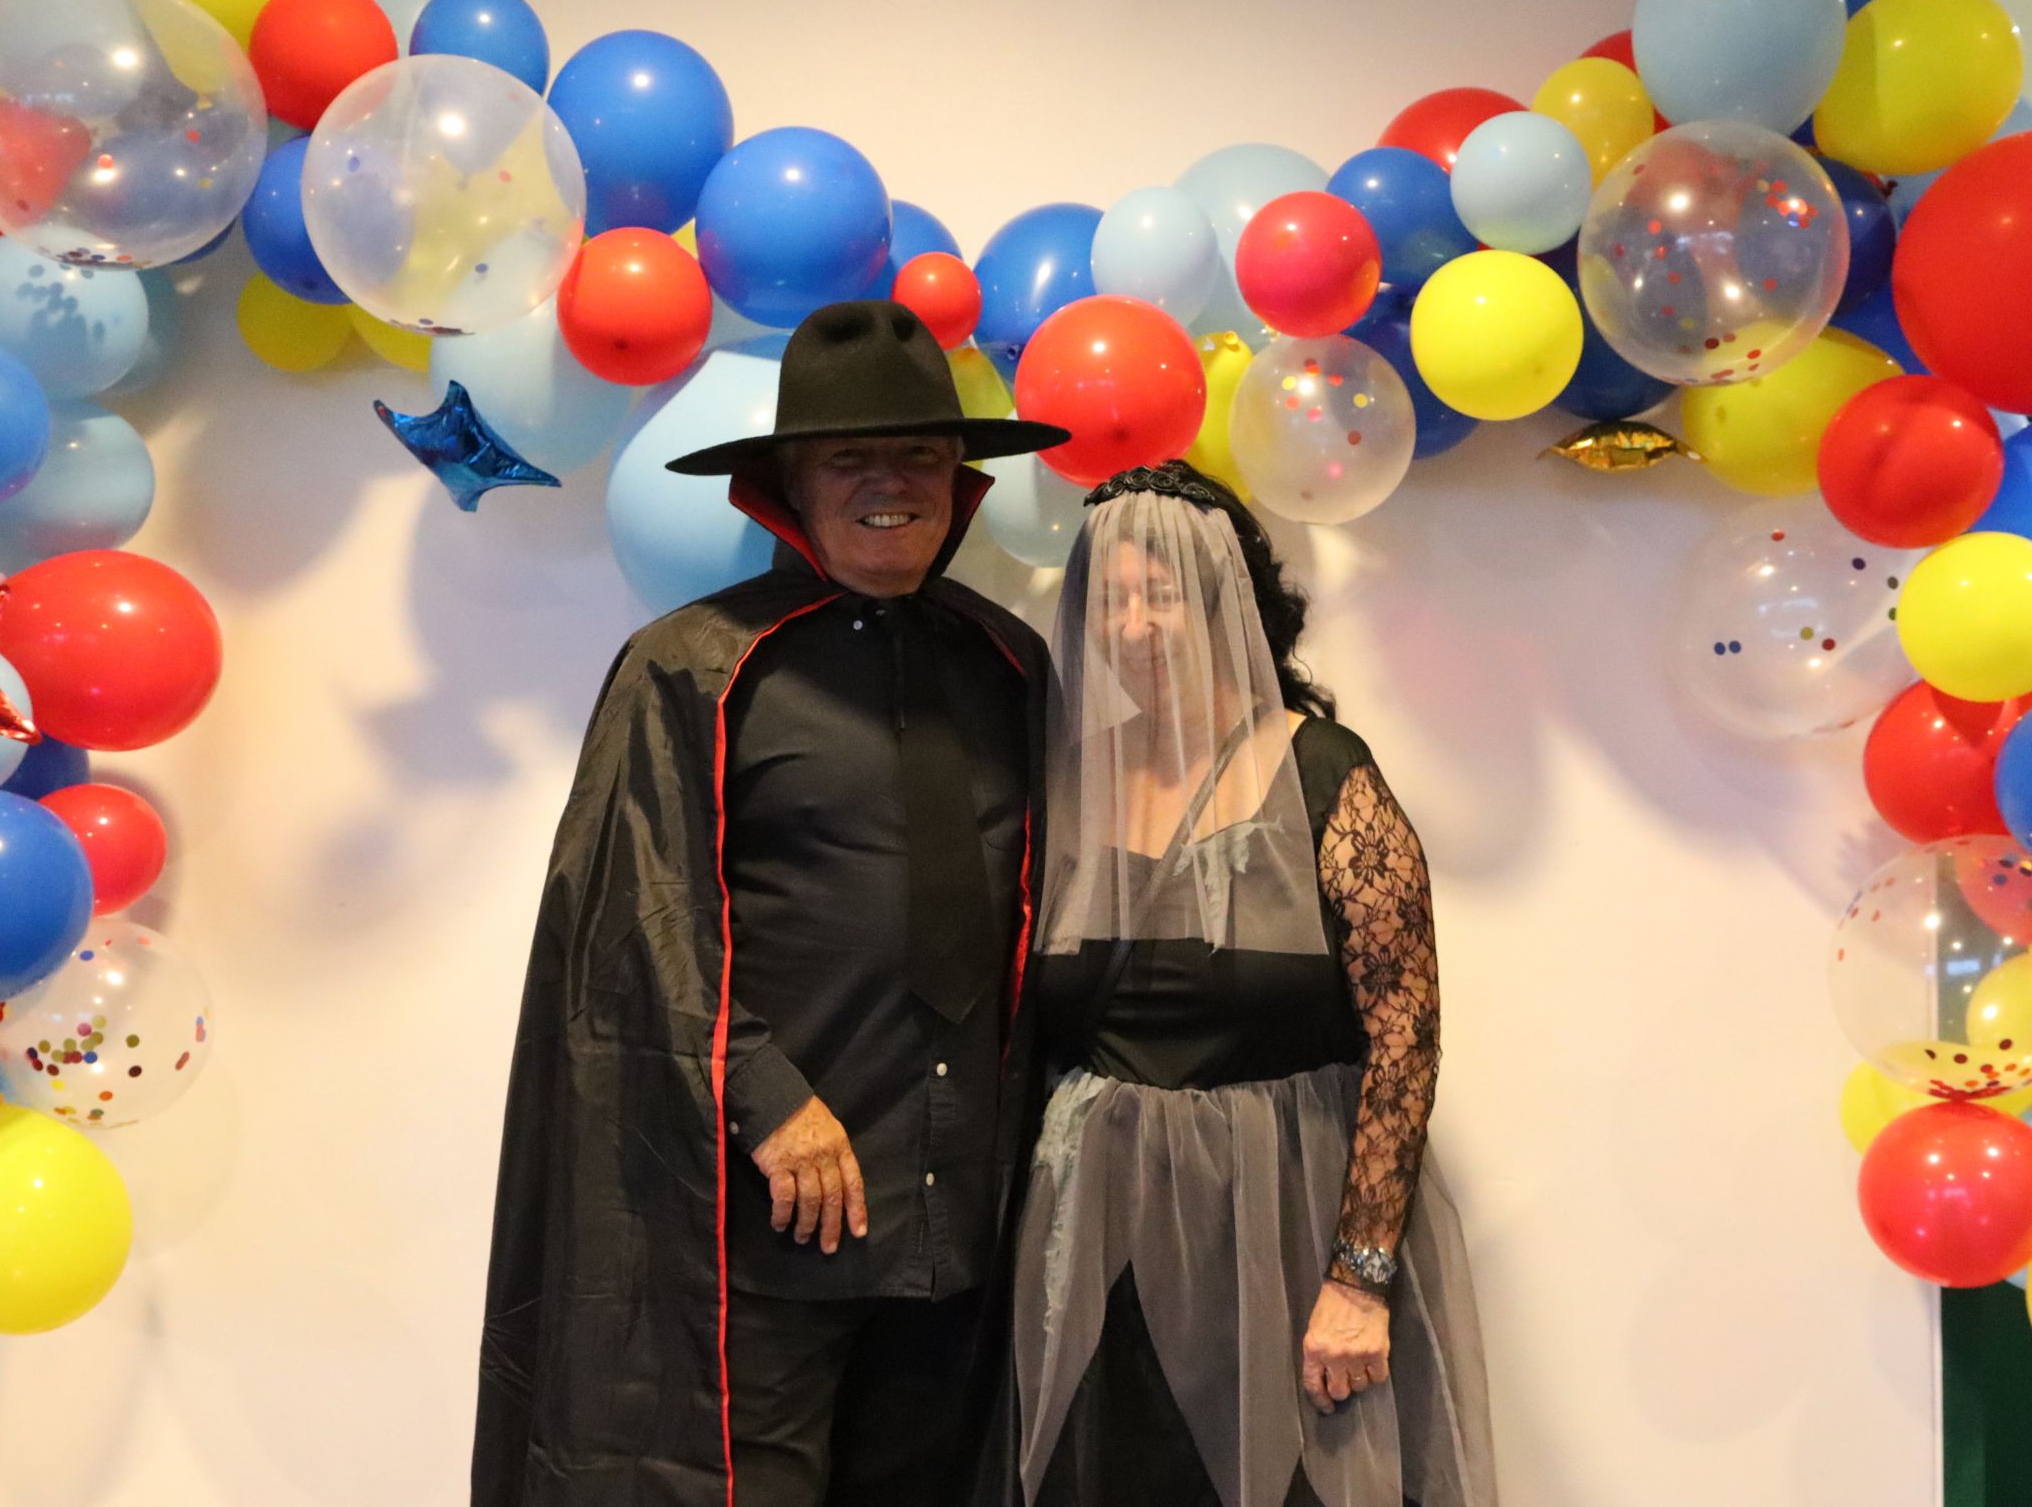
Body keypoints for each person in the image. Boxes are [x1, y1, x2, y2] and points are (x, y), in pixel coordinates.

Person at [472, 300, 1069, 1507]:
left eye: (920, 454)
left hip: (958, 1211)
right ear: (788, 485)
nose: (891, 484)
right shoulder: (693, 667)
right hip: (756, 1218)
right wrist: (768, 1100)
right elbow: (634, 920)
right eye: (851, 458)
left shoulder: (1010, 662)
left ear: (960, 480)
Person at [1008, 460, 1497, 1506]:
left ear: (1229, 599)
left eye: (1160, 595)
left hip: (1287, 1231)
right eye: (1109, 599)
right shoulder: (1068, 778)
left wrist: (1360, 1276)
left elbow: (1404, 1037)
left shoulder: (1325, 772)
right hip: (1097, 1243)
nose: (1132, 626)